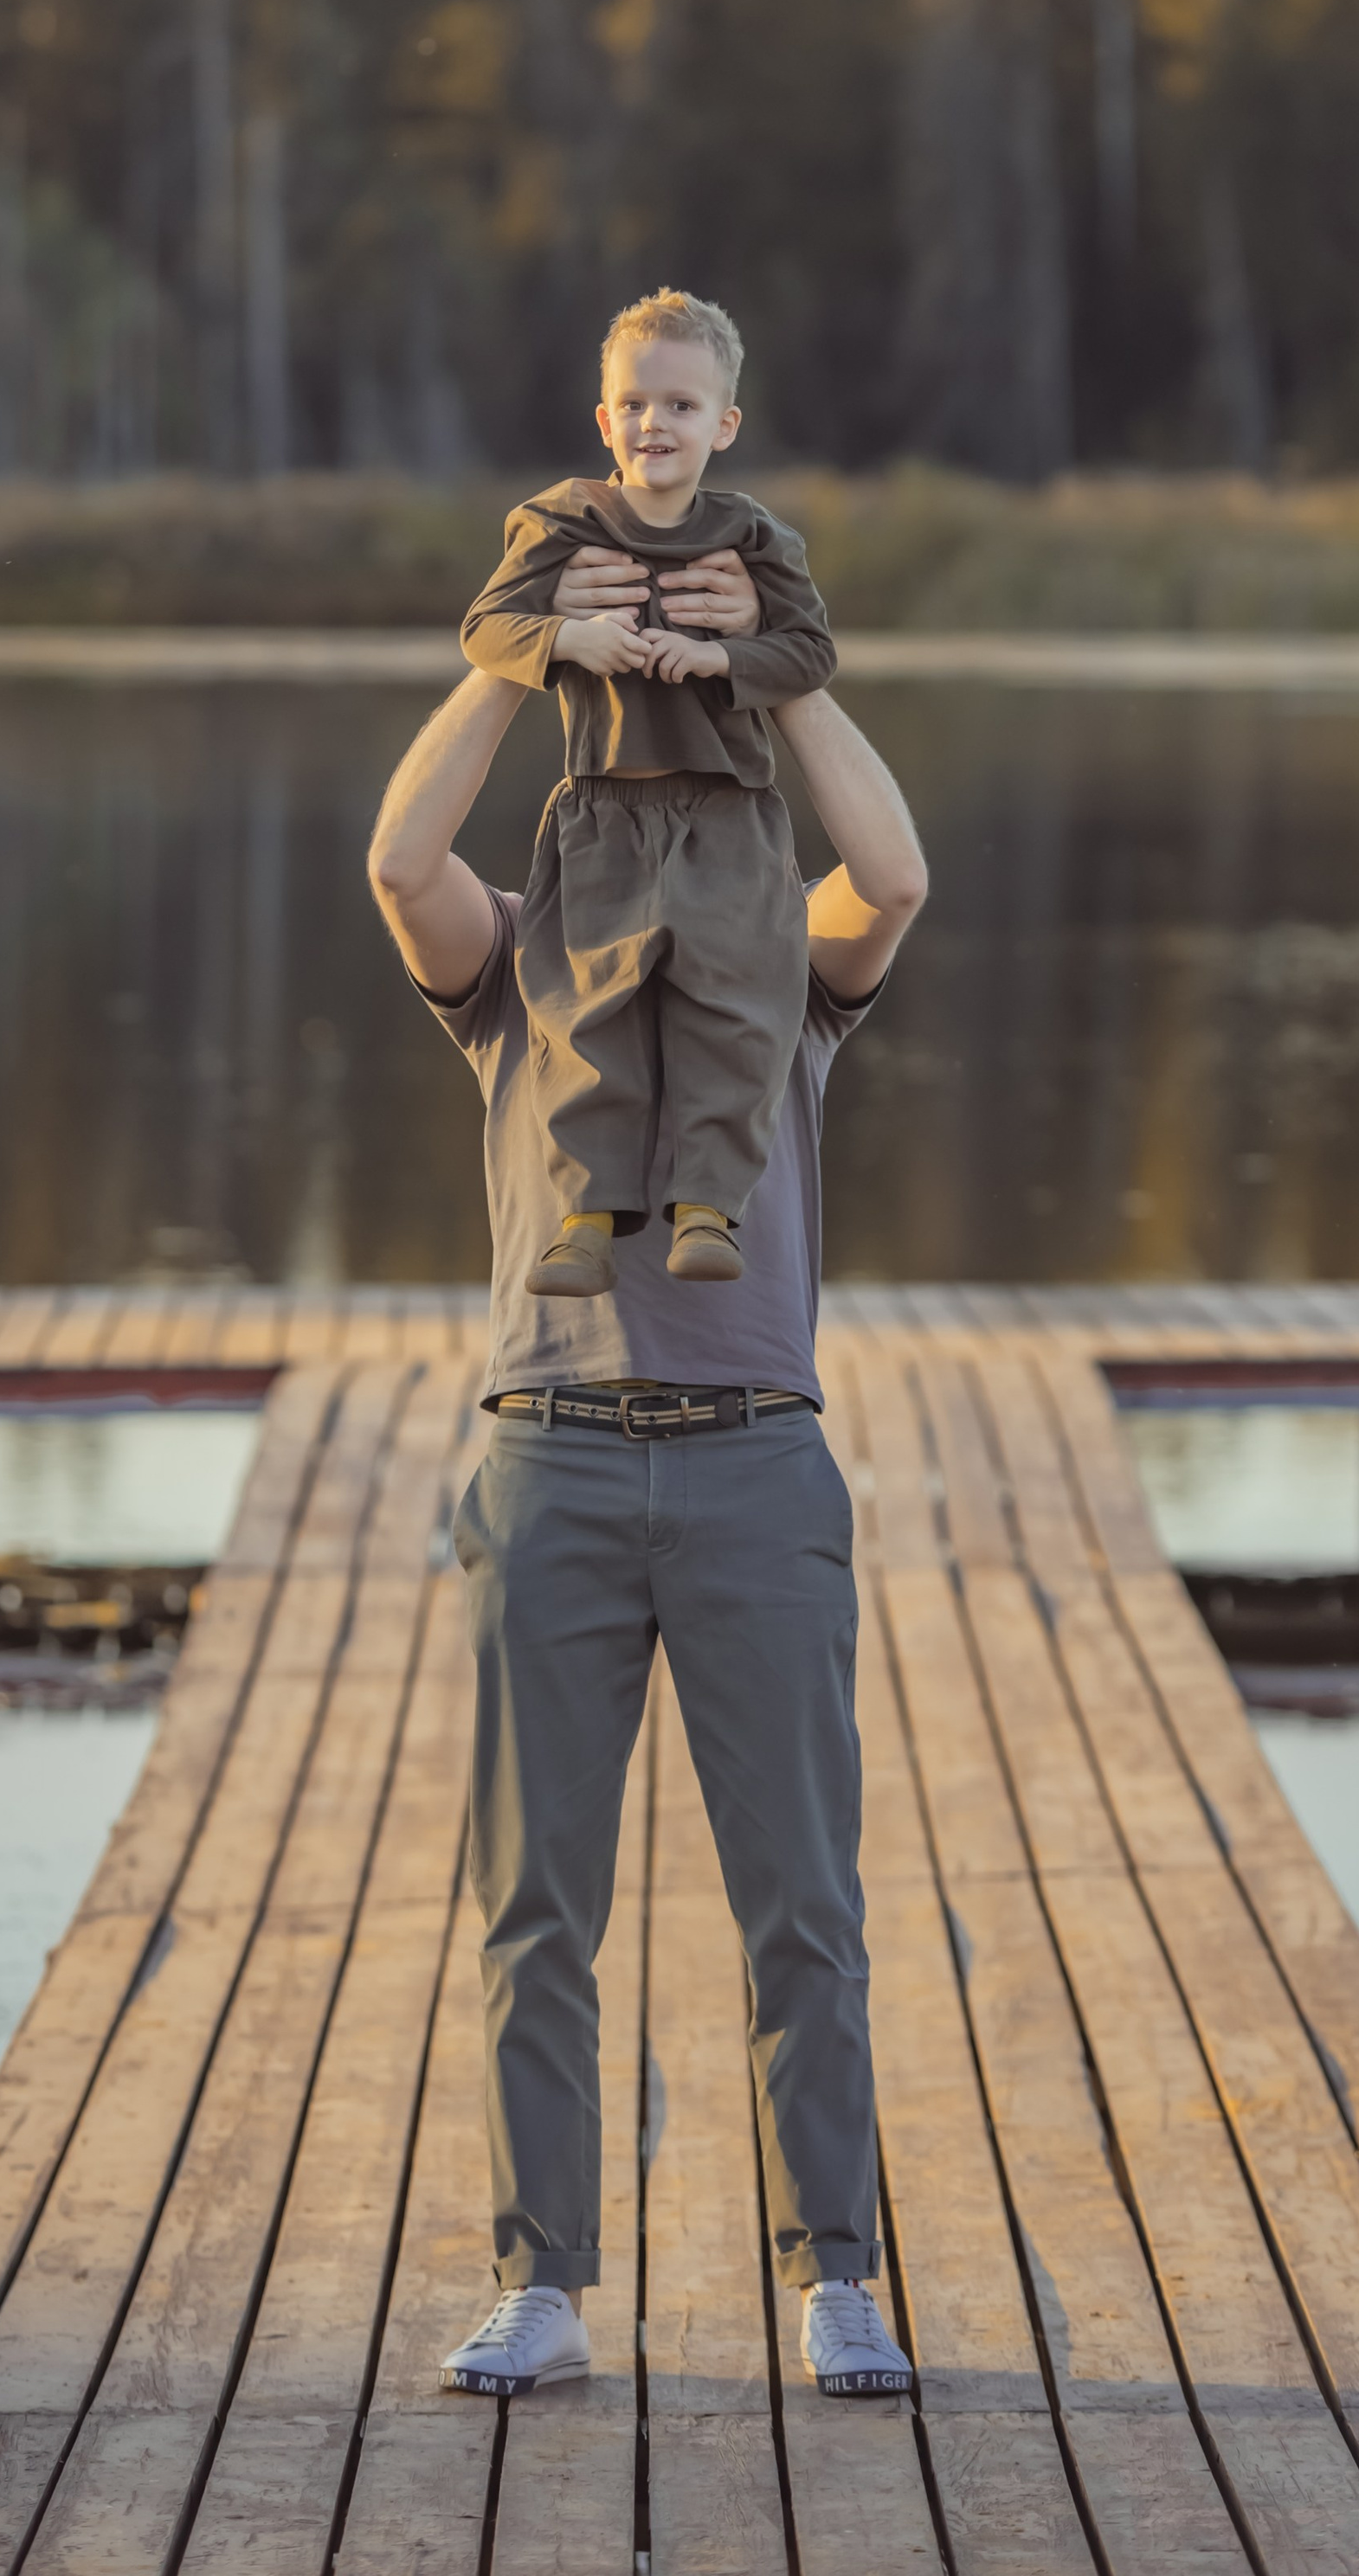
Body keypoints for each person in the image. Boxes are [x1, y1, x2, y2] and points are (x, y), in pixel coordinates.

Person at [366, 543, 928, 2403]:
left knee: (804, 1913)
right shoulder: (516, 968)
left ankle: (836, 2281)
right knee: (535, 1914)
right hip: (553, 1466)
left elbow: (895, 876)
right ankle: (540, 2285)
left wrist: (764, 667)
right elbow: (395, 861)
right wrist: (533, 651)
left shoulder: (792, 991)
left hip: (758, 1471)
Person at [460, 290, 836, 1296]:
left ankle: (708, 1209)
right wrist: (564, 639)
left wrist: (719, 657)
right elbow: (485, 628)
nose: (652, 425)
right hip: (602, 810)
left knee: (737, 1005)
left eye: (678, 406)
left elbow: (811, 652)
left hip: (731, 814)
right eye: (632, 404)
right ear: (603, 419)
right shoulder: (559, 521)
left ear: (724, 424)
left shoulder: (755, 539)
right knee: (585, 1006)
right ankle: (584, 1217)